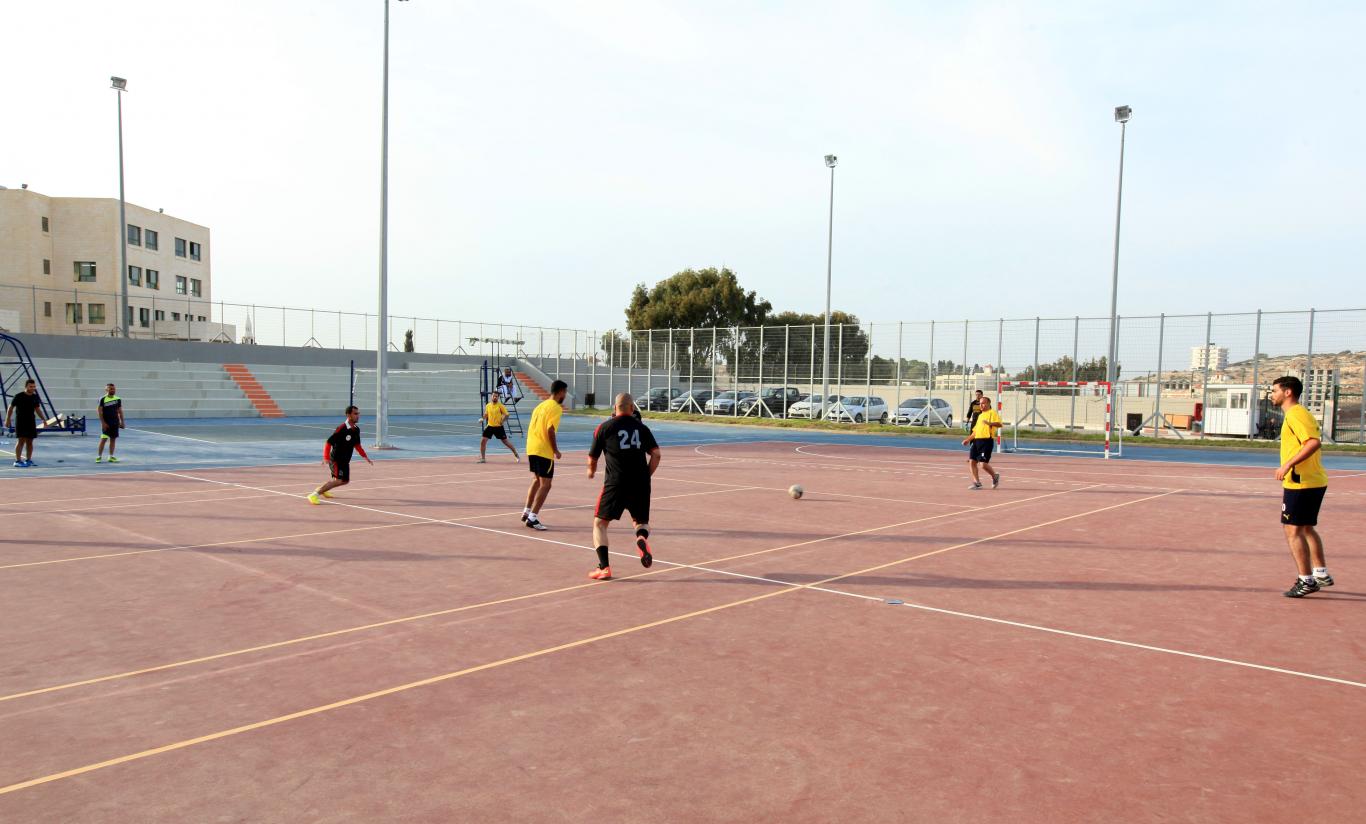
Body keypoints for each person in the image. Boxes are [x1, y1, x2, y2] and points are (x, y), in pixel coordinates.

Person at [586, 393, 661, 580]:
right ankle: (641, 538)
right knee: (641, 522)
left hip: (616, 483)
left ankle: (604, 567)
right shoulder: (642, 428)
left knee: (600, 524)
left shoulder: (604, 428)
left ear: (615, 408)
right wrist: (646, 475)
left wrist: (591, 472)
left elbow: (592, 458)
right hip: (640, 484)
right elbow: (657, 454)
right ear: (632, 408)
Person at [1271, 376, 1332, 598]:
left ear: (1288, 392)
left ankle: (1306, 580)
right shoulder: (1299, 414)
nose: (1272, 394)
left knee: (1292, 530)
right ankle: (1320, 573)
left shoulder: (1296, 414)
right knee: (1306, 528)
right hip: (1310, 480)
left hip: (1301, 482)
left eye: (1275, 390)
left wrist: (1287, 464)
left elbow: (1313, 442)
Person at [521, 380, 568, 531]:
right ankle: (532, 518)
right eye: (565, 392)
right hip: (543, 450)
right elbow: (550, 430)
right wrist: (555, 450)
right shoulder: (555, 407)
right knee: (546, 485)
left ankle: (526, 511)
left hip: (531, 447)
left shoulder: (540, 406)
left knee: (536, 480)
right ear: (560, 392)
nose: (565, 395)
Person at [308, 405, 373, 504]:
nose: (358, 416)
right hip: (336, 459)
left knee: (345, 481)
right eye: (355, 414)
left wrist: (365, 456)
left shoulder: (356, 429)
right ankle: (314, 495)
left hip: (345, 460)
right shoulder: (341, 428)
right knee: (339, 480)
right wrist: (326, 457)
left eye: (358, 413)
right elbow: (329, 442)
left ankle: (323, 489)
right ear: (349, 415)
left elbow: (357, 445)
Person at [961, 396, 1002, 489]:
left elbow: (999, 424)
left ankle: (995, 476)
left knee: (983, 464)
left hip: (986, 441)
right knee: (972, 462)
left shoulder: (992, 413)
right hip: (976, 441)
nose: (981, 405)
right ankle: (977, 483)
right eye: (980, 403)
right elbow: (975, 431)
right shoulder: (980, 416)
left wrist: (990, 423)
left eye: (983, 403)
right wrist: (968, 439)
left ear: (988, 404)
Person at [6, 379, 41, 467]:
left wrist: (44, 419)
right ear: (26, 386)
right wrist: (8, 419)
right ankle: (17, 461)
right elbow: (10, 408)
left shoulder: (34, 397)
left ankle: (28, 460)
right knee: (21, 440)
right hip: (21, 421)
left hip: (31, 421)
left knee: (30, 441)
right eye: (31, 386)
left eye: (34, 386)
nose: (33, 388)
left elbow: (37, 409)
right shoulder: (18, 396)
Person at [479, 392, 519, 463]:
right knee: (483, 441)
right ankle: (483, 459)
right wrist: (482, 418)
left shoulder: (500, 406)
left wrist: (502, 421)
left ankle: (515, 453)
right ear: (491, 397)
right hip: (490, 426)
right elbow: (486, 414)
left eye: (496, 396)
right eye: (494, 396)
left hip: (499, 427)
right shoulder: (488, 405)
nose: (495, 397)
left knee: (505, 442)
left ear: (498, 397)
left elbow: (507, 415)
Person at [95, 383, 125, 463]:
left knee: (113, 439)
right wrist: (103, 423)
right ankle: (99, 457)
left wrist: (122, 422)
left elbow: (120, 411)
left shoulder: (118, 399)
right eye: (111, 389)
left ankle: (111, 457)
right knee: (103, 439)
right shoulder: (102, 399)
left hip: (115, 422)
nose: (113, 390)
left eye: (114, 389)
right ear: (106, 389)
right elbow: (99, 411)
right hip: (106, 423)